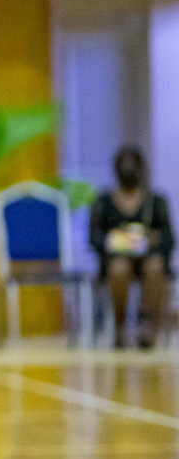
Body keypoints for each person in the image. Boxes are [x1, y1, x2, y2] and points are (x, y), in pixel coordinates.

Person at [90, 146, 173, 348]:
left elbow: (169, 239)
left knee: (154, 267)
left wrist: (151, 239)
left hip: (149, 258)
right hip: (116, 259)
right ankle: (119, 329)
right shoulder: (103, 202)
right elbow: (94, 238)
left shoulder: (155, 202)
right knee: (120, 268)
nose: (129, 170)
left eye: (133, 166)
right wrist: (115, 240)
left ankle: (151, 332)